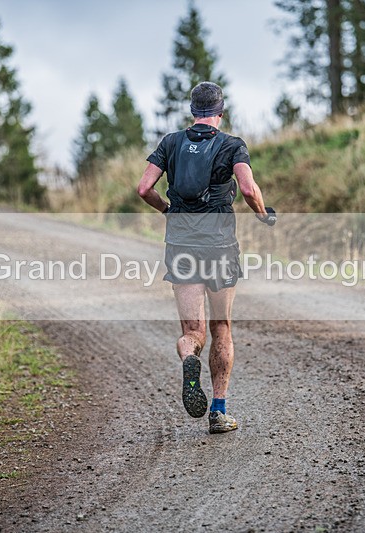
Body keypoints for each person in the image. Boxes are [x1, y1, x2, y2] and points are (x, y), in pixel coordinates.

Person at [137, 81, 276, 434]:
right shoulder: (232, 145)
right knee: (221, 327)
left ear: (192, 110)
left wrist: (167, 210)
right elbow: (248, 189)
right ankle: (218, 411)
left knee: (192, 331)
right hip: (219, 246)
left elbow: (144, 188)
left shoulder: (171, 143)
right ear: (221, 112)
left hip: (181, 244)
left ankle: (189, 357)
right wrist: (263, 214)